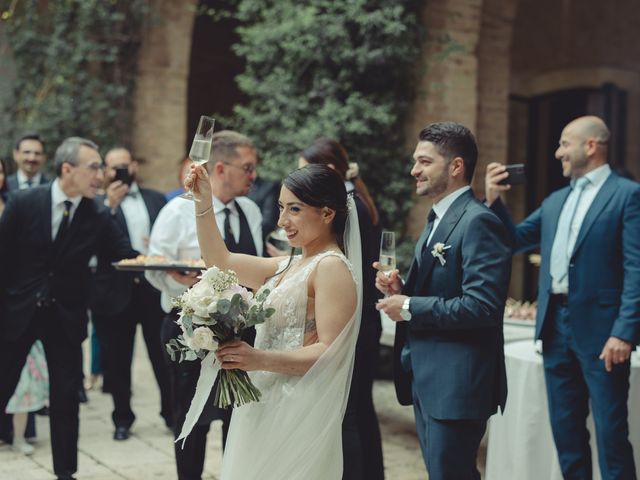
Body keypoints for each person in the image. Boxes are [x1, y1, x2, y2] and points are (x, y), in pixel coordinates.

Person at [485, 115, 640, 479]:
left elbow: (637, 268)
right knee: (567, 433)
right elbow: (514, 240)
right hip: (554, 329)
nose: (558, 153)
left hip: (604, 334)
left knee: (612, 435)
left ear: (591, 145)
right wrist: (494, 202)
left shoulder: (628, 196)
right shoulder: (556, 200)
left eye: (564, 144)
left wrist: (624, 331)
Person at [186, 162, 362, 479]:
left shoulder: (331, 267)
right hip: (262, 398)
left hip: (298, 405)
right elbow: (220, 261)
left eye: (294, 209)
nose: (282, 221)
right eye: (281, 208)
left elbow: (330, 352)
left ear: (327, 213)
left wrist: (258, 358)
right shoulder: (289, 264)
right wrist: (203, 202)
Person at [375, 122, 511, 480]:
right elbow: (446, 288)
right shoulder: (439, 217)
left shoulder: (479, 221)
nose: (413, 170)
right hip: (428, 374)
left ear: (455, 166)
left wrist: (408, 307)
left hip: (457, 383)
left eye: (424, 162)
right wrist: (401, 288)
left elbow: (482, 305)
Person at [0, 137, 137, 480]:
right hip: (17, 312)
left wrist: (170, 268)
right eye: (94, 167)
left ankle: (66, 473)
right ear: (66, 169)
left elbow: (126, 254)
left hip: (65, 317)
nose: (101, 175)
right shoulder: (23, 201)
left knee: (65, 399)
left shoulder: (98, 212)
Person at [146, 130, 263, 480]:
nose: (254, 176)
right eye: (248, 168)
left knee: (239, 417)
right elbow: (154, 268)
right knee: (190, 417)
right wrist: (179, 282)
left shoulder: (251, 211)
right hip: (190, 332)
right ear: (222, 169)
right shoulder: (175, 212)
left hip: (242, 334)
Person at [299, 137, 384, 480]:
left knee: (348, 412)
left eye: (308, 173)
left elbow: (338, 265)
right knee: (361, 407)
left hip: (353, 323)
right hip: (364, 319)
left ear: (330, 170)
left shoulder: (350, 207)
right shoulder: (360, 200)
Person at [89, 147, 170, 440]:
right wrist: (108, 206)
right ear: (106, 171)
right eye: (113, 167)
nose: (120, 171)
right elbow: (92, 244)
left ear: (134, 165)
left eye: (124, 165)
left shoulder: (156, 199)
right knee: (118, 361)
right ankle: (122, 418)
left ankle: (170, 413)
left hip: (152, 287)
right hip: (115, 291)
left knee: (161, 355)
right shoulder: (97, 203)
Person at [5, 340, 49, 455]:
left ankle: (19, 437)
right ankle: (18, 437)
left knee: (22, 395)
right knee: (21, 394)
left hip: (22, 346)